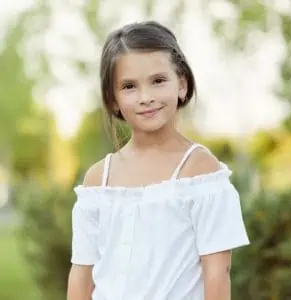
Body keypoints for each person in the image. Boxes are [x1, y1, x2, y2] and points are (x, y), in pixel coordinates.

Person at [66, 21, 250, 300]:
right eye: (129, 86)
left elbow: (217, 273)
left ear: (182, 84)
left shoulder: (200, 172)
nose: (146, 97)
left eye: (158, 81)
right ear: (113, 99)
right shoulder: (97, 180)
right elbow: (80, 276)